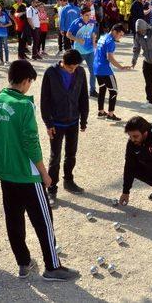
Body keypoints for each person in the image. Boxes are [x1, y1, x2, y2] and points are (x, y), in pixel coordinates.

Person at [0, 60, 77, 281]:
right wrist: (45, 173)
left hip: (5, 173)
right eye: (29, 83)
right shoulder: (24, 105)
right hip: (28, 175)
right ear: (26, 81)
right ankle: (52, 267)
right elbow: (31, 143)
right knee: (43, 220)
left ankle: (23, 263)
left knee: (14, 220)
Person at [40, 50, 89, 202]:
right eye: (70, 68)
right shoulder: (51, 73)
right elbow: (44, 100)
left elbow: (83, 96)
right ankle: (52, 188)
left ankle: (69, 180)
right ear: (63, 62)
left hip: (73, 121)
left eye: (75, 67)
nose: (73, 70)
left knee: (71, 154)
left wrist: (83, 119)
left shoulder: (80, 71)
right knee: (55, 157)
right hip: (56, 123)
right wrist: (48, 123)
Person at [93, 24, 131, 121]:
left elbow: (96, 48)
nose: (120, 37)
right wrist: (121, 67)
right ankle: (110, 114)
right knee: (113, 91)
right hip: (105, 70)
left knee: (102, 89)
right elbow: (109, 57)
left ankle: (101, 112)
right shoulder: (110, 42)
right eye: (120, 35)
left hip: (97, 68)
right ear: (114, 32)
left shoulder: (103, 37)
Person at [67, 6, 98, 97]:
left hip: (90, 51)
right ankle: (72, 90)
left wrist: (94, 41)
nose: (88, 17)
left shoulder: (92, 22)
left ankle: (92, 90)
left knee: (93, 71)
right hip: (79, 52)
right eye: (86, 15)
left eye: (89, 15)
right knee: (74, 70)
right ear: (81, 15)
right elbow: (68, 34)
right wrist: (77, 39)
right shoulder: (76, 22)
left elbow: (93, 33)